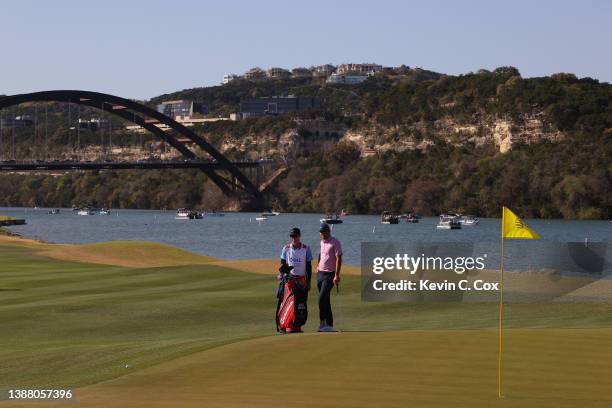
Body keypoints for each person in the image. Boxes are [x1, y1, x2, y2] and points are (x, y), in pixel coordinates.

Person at [317, 223, 342, 332]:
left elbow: (339, 258)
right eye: (320, 232)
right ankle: (327, 324)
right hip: (320, 274)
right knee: (325, 300)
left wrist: (337, 275)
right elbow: (320, 255)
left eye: (323, 232)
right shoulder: (322, 242)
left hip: (330, 274)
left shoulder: (335, 242)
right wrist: (318, 266)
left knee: (321, 299)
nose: (321, 234)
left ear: (328, 232)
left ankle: (325, 323)